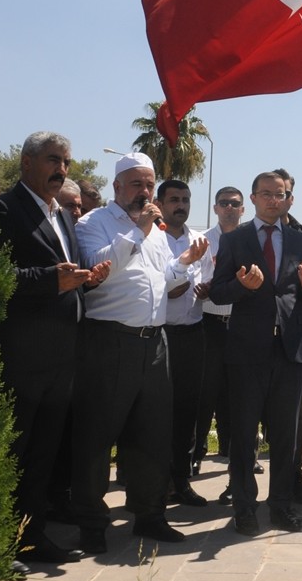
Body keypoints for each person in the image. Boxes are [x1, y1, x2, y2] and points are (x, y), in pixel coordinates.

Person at [0, 132, 108, 567]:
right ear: (27, 162)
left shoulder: (62, 216)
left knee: (43, 457)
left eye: (65, 162)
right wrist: (50, 280)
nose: (61, 170)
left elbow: (65, 278)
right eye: (53, 160)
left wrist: (87, 281)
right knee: (13, 453)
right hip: (22, 358)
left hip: (62, 359)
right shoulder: (3, 209)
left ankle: (30, 537)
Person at [70, 152, 208, 553]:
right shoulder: (93, 223)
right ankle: (92, 523)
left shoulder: (158, 234)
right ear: (117, 187)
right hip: (109, 341)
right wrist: (138, 229)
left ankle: (149, 515)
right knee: (97, 437)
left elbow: (163, 281)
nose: (144, 192)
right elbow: (97, 267)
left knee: (153, 435)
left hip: (155, 343)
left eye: (149, 185)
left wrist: (184, 262)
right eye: (136, 184)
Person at [209, 171, 302, 535]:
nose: (274, 200)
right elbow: (218, 292)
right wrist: (241, 286)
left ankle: (280, 506)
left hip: (290, 351)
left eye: (280, 194)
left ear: (288, 198)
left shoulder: (301, 239)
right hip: (247, 351)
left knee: (286, 436)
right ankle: (244, 507)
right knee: (244, 435)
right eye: (266, 194)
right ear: (254, 198)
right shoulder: (235, 239)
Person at [156, 179, 211, 507]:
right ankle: (154, 485)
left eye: (185, 199)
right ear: (160, 203)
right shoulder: (152, 238)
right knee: (157, 412)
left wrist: (206, 290)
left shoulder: (200, 241)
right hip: (160, 336)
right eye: (174, 199)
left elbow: (206, 278)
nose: (181, 205)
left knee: (187, 411)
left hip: (192, 334)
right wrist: (168, 290)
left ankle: (181, 481)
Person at [197, 187, 245, 495]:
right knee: (205, 392)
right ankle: (195, 454)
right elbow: (192, 275)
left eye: (234, 204)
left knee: (239, 395)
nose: (229, 208)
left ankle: (238, 455)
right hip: (209, 323)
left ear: (243, 209)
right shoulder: (202, 241)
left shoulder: (250, 241)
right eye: (224, 203)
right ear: (215, 208)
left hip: (240, 325)